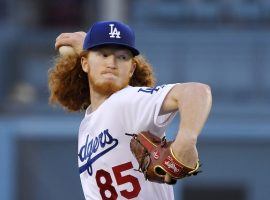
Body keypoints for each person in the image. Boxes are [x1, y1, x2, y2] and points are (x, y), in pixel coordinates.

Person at [48, 21, 212, 200]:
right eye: (103, 54)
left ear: (132, 68)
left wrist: (186, 141)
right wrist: (89, 44)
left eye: (122, 57)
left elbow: (196, 91)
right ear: (85, 63)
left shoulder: (128, 101)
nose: (111, 63)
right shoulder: (86, 125)